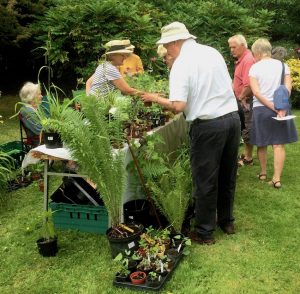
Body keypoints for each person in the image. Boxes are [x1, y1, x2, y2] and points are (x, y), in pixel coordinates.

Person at [141, 22, 240, 244]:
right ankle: (227, 221)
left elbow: (178, 106)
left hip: (208, 125)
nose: (166, 50)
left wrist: (155, 98)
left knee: (205, 179)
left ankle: (205, 232)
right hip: (232, 119)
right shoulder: (212, 52)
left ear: (176, 42)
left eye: (167, 45)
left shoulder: (182, 63)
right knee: (227, 174)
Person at [249, 38, 298, 188]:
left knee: (262, 143)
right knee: (278, 144)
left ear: (257, 52)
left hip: (261, 109)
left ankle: (263, 173)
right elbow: (288, 88)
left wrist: (271, 105)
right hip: (281, 109)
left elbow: (256, 92)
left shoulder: (254, 68)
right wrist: (280, 106)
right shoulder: (283, 66)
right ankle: (276, 179)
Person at [228, 34, 255, 166]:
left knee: (247, 127)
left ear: (243, 46)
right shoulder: (241, 59)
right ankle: (246, 153)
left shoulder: (248, 60)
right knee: (244, 127)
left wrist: (240, 98)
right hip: (241, 99)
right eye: (230, 47)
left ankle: (248, 157)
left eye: (234, 47)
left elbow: (248, 84)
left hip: (246, 100)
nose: (231, 50)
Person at [19, 82, 43, 147]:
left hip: (43, 139)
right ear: (31, 97)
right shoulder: (27, 111)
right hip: (39, 143)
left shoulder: (35, 109)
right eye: (39, 94)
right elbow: (39, 130)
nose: (42, 96)